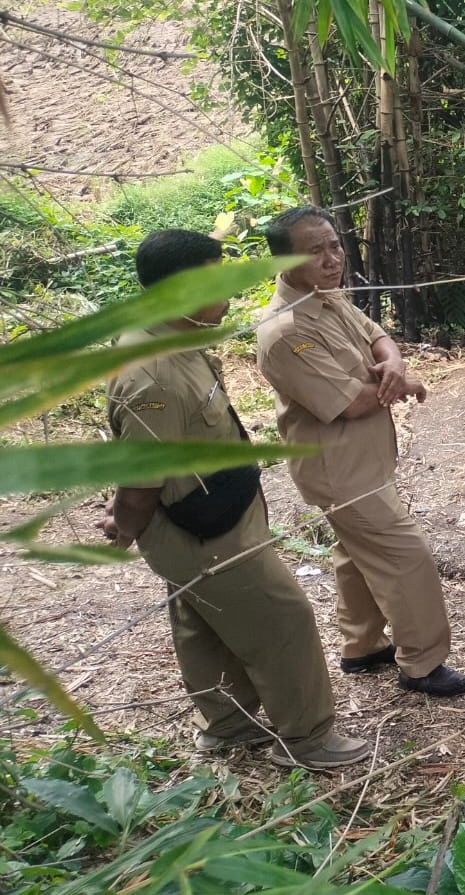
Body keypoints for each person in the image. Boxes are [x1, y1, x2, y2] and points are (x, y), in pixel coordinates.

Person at [100, 229, 371, 769]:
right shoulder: (150, 374)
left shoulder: (174, 336)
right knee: (283, 620)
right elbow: (142, 479)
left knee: (203, 620)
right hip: (199, 527)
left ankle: (228, 725)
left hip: (217, 508)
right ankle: (308, 739)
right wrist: (125, 525)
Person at [256, 206, 465, 697]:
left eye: (334, 245)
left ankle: (362, 645)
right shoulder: (286, 331)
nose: (332, 259)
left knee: (355, 551)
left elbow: (377, 337)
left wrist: (392, 363)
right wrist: (407, 382)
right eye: (316, 251)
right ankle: (422, 662)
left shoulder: (326, 299)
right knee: (405, 555)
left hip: (360, 462)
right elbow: (351, 403)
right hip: (339, 470)